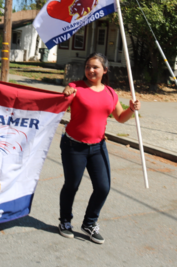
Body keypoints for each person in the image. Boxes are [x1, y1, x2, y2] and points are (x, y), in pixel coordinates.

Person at [57, 52, 140, 244]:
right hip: (73, 146)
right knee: (72, 186)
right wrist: (66, 92)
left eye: (95, 67)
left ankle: (89, 223)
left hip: (97, 147)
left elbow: (120, 118)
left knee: (103, 187)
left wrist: (132, 110)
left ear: (105, 70)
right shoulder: (75, 87)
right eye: (88, 66)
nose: (91, 70)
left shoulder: (110, 93)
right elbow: (63, 95)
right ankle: (65, 221)